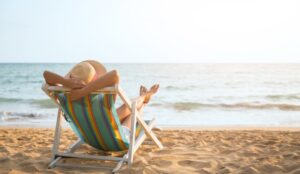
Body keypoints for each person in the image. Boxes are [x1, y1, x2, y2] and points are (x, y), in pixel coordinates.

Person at [43, 60, 159, 139]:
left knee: (127, 107)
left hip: (89, 135)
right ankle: (144, 98)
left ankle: (144, 97)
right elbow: (115, 74)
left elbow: (46, 74)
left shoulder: (65, 95)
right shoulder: (99, 99)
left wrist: (67, 83)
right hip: (112, 136)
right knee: (133, 109)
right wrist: (84, 91)